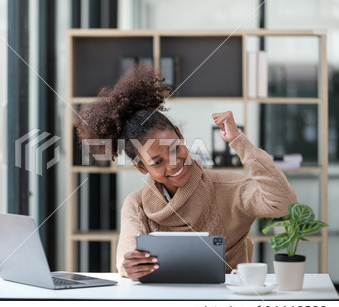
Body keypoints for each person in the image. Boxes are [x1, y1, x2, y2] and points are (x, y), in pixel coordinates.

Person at [74, 63, 297, 281]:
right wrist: (129, 265)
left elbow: (283, 203)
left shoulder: (230, 188)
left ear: (180, 135)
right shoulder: (136, 204)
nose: (173, 164)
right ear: (141, 167)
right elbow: (126, 256)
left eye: (175, 148)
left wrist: (239, 142)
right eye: (157, 161)